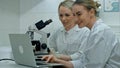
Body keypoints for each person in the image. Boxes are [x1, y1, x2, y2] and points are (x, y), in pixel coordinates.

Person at [42, 0, 120, 68]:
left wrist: (59, 58)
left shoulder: (100, 32)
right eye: (74, 15)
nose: (75, 19)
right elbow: (82, 62)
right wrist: (57, 60)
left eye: (79, 14)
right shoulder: (93, 32)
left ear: (91, 12)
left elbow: (92, 66)